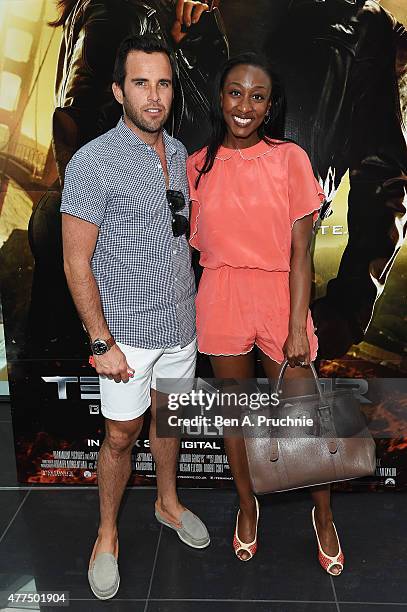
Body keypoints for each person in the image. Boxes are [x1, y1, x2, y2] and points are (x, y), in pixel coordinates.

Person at [60, 34, 210, 600]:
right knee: (121, 436)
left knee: (168, 423)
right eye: (141, 83)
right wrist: (101, 343)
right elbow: (76, 262)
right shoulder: (93, 162)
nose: (154, 95)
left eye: (164, 83)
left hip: (180, 327)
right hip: (125, 336)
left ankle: (167, 503)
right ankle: (106, 535)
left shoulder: (178, 154)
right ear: (119, 89)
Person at [187, 53, 344, 575]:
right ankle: (247, 506)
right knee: (237, 418)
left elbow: (301, 256)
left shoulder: (290, 159)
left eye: (257, 96)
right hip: (221, 294)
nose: (245, 106)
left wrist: (298, 325)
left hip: (281, 296)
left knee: (303, 422)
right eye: (236, 92)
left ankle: (323, 518)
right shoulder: (197, 164)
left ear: (270, 106)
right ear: (220, 96)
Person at [26, 0, 228, 358]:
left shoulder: (120, 12)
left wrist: (176, 48)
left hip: (82, 224)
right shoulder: (122, 11)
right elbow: (86, 124)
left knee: (62, 382)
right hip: (105, 238)